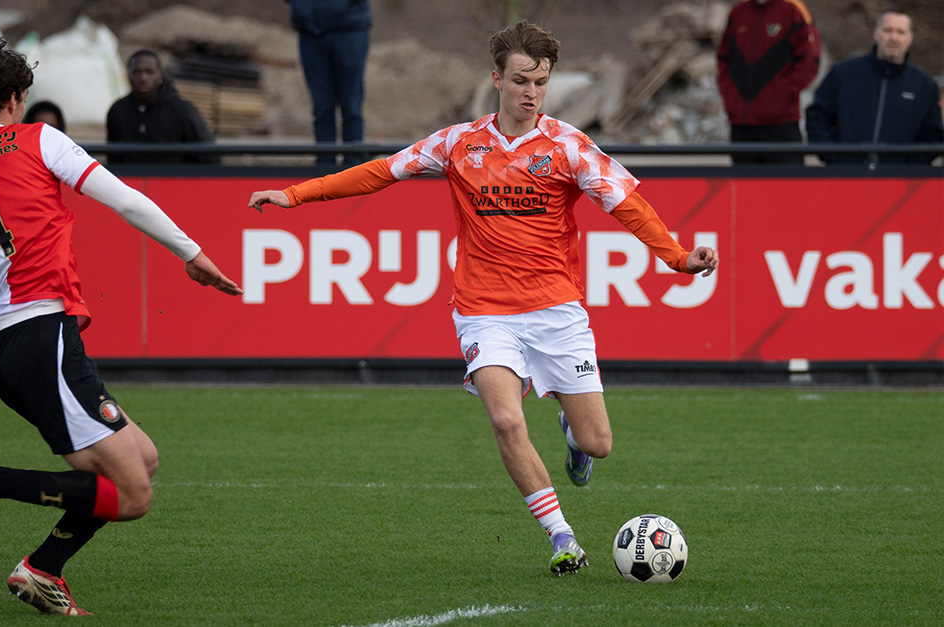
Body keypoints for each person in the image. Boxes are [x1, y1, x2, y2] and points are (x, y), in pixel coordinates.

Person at [248, 21, 718, 576]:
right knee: (504, 418)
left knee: (598, 443)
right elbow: (380, 172)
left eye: (540, 82)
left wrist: (676, 256)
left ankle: (572, 436)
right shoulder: (458, 143)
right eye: (521, 80)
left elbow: (627, 204)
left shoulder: (568, 146)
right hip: (484, 310)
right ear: (496, 79)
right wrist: (296, 195)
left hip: (556, 310)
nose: (531, 92)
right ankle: (562, 538)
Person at [0, 37, 242, 615]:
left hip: (6, 348)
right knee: (133, 495)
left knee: (141, 459)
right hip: (42, 338)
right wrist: (191, 253)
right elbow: (123, 198)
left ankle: (42, 569)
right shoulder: (37, 138)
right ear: (15, 97)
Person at [805, 9, 943, 165]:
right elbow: (817, 117)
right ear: (876, 33)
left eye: (901, 32)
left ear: (910, 38)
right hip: (845, 178)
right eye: (888, 30)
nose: (894, 37)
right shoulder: (844, 74)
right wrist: (833, 157)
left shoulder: (924, 86)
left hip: (900, 183)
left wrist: (909, 169)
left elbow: (932, 136)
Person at [716, 0, 821, 165]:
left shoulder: (794, 10)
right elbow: (723, 57)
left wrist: (782, 94)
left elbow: (810, 61)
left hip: (781, 125)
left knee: (786, 188)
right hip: (741, 125)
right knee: (744, 188)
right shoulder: (738, 12)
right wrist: (729, 95)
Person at [288, 0, 370, 165]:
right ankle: (324, 165)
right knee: (321, 107)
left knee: (351, 106)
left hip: (350, 30)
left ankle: (353, 165)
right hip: (310, 33)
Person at [105, 49, 217, 164]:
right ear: (128, 75)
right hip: (129, 180)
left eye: (150, 72)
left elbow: (209, 157)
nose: (143, 78)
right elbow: (114, 159)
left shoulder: (183, 112)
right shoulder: (118, 111)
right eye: (137, 72)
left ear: (160, 76)